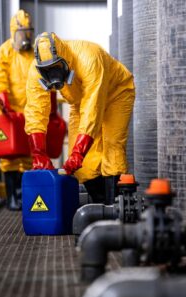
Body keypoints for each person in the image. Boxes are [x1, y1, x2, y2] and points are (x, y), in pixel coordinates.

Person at [24, 32, 135, 204]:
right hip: (80, 101)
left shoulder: (90, 58)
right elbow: (35, 110)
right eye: (47, 72)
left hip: (116, 94)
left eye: (56, 68)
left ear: (65, 60)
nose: (53, 76)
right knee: (82, 166)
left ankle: (113, 206)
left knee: (112, 146)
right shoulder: (35, 71)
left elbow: (93, 109)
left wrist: (79, 151)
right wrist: (39, 153)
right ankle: (100, 205)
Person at [0, 10, 34, 210]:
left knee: (30, 155)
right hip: (9, 115)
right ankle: (12, 198)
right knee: (9, 156)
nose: (26, 37)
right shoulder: (3, 53)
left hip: (30, 114)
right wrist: (4, 100)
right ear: (14, 32)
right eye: (22, 33)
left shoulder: (33, 54)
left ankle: (25, 197)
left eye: (28, 32)